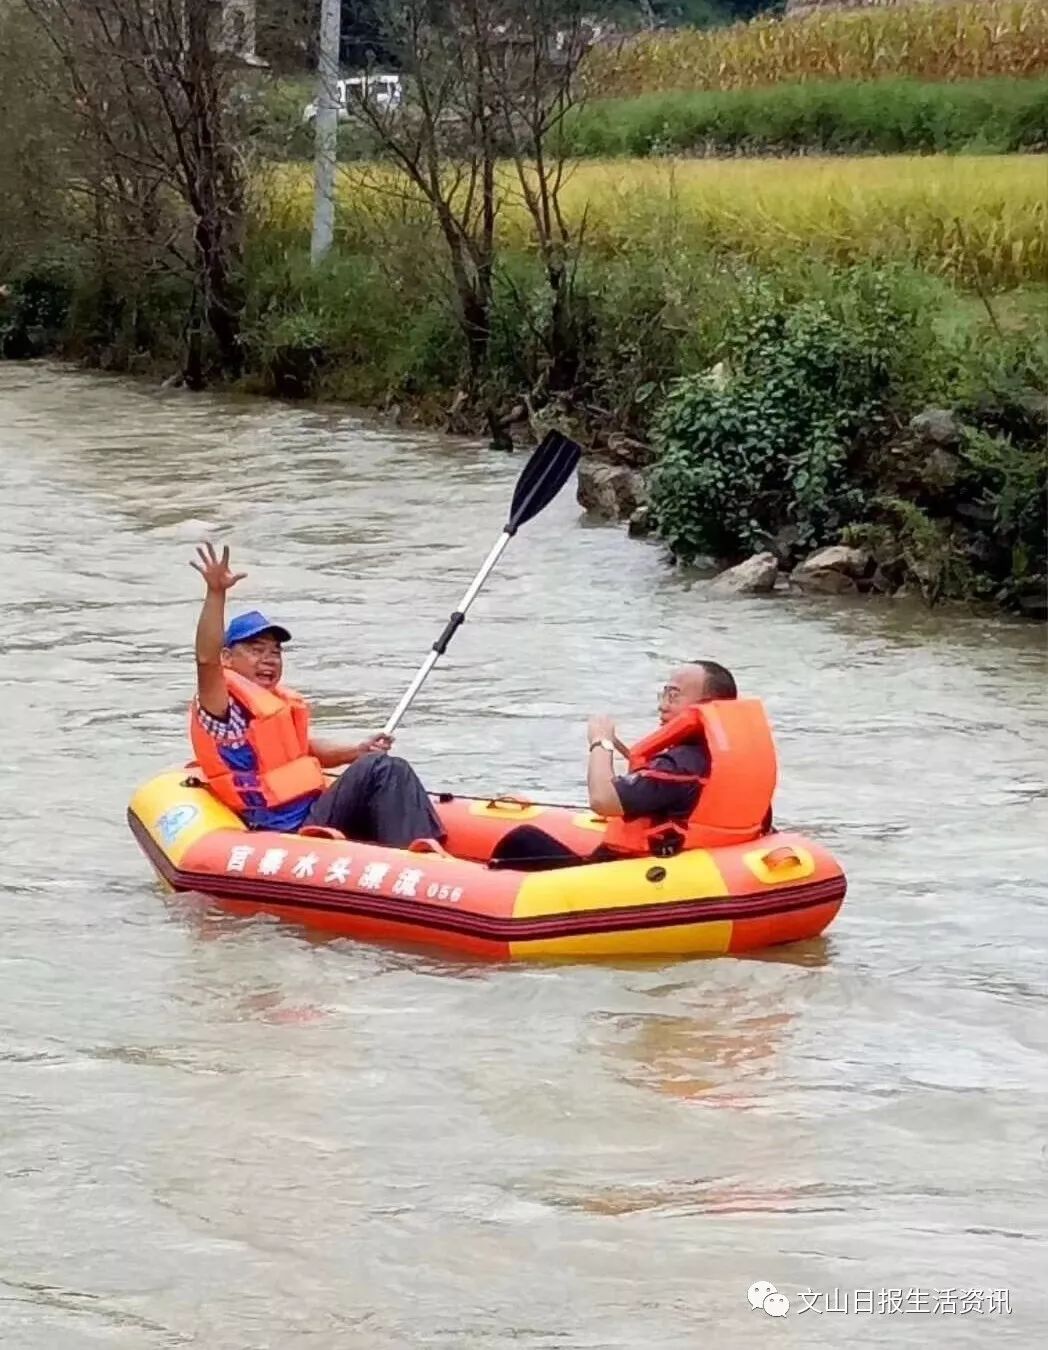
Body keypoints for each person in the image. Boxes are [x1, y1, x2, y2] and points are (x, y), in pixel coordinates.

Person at [188, 542, 445, 848]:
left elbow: (301, 749)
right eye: (256, 650)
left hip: (313, 813)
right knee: (384, 769)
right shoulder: (222, 710)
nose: (269, 659)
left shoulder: (275, 703)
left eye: (275, 652)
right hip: (285, 832)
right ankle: (422, 860)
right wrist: (216, 593)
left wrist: (356, 751)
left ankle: (431, 856)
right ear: (228, 658)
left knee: (377, 764)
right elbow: (206, 660)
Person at [489, 661, 777, 869]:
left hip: (628, 877)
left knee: (522, 840)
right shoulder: (735, 762)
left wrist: (600, 742)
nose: (663, 705)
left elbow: (603, 800)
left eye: (673, 696)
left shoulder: (678, 765)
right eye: (663, 695)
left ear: (707, 705)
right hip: (692, 867)